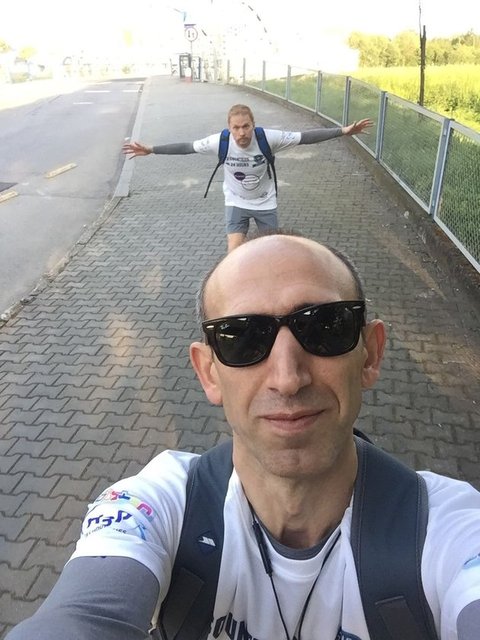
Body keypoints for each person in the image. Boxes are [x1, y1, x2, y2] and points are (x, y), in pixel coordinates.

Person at [6, 232, 480, 640]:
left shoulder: (447, 527)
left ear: (370, 354)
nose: (288, 378)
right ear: (207, 373)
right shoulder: (161, 506)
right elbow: (84, 615)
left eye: (325, 327)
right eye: (242, 338)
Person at [122, 104, 373, 252]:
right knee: (234, 253)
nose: (241, 132)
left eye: (246, 126)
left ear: (253, 125)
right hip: (236, 201)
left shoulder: (269, 138)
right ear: (229, 128)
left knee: (271, 250)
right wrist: (151, 149)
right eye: (236, 127)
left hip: (265, 202)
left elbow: (304, 137)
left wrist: (343, 131)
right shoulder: (219, 142)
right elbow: (187, 147)